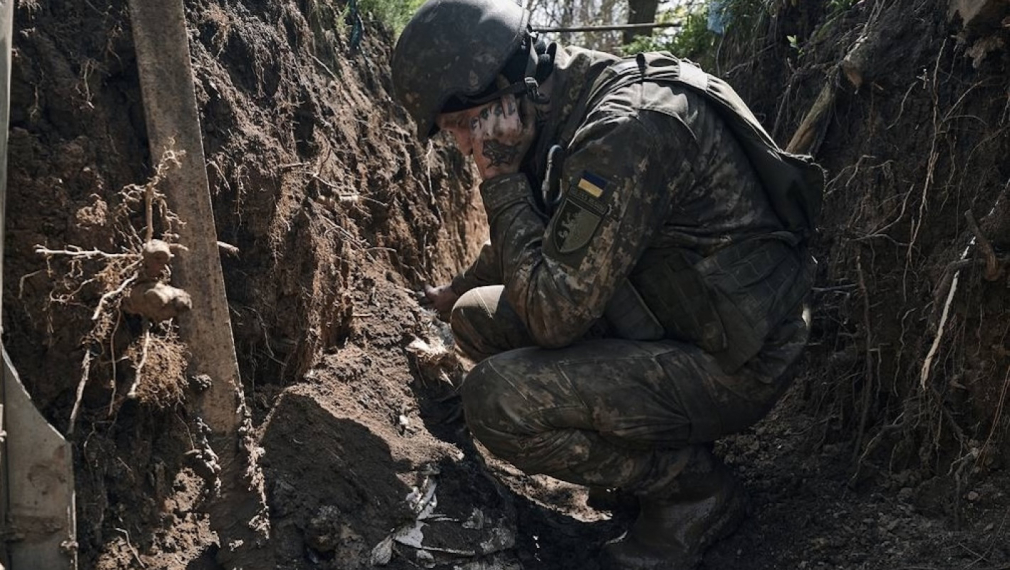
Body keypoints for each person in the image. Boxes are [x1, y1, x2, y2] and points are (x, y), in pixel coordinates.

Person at [391, 0, 823, 567]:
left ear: (495, 95)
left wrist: (498, 179)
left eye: (455, 129)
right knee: (474, 313)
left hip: (736, 360)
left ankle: (693, 492)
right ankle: (638, 454)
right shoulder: (560, 101)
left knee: (496, 400)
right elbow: (545, 234)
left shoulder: (622, 133)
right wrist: (454, 289)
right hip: (675, 319)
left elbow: (552, 317)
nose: (462, 149)